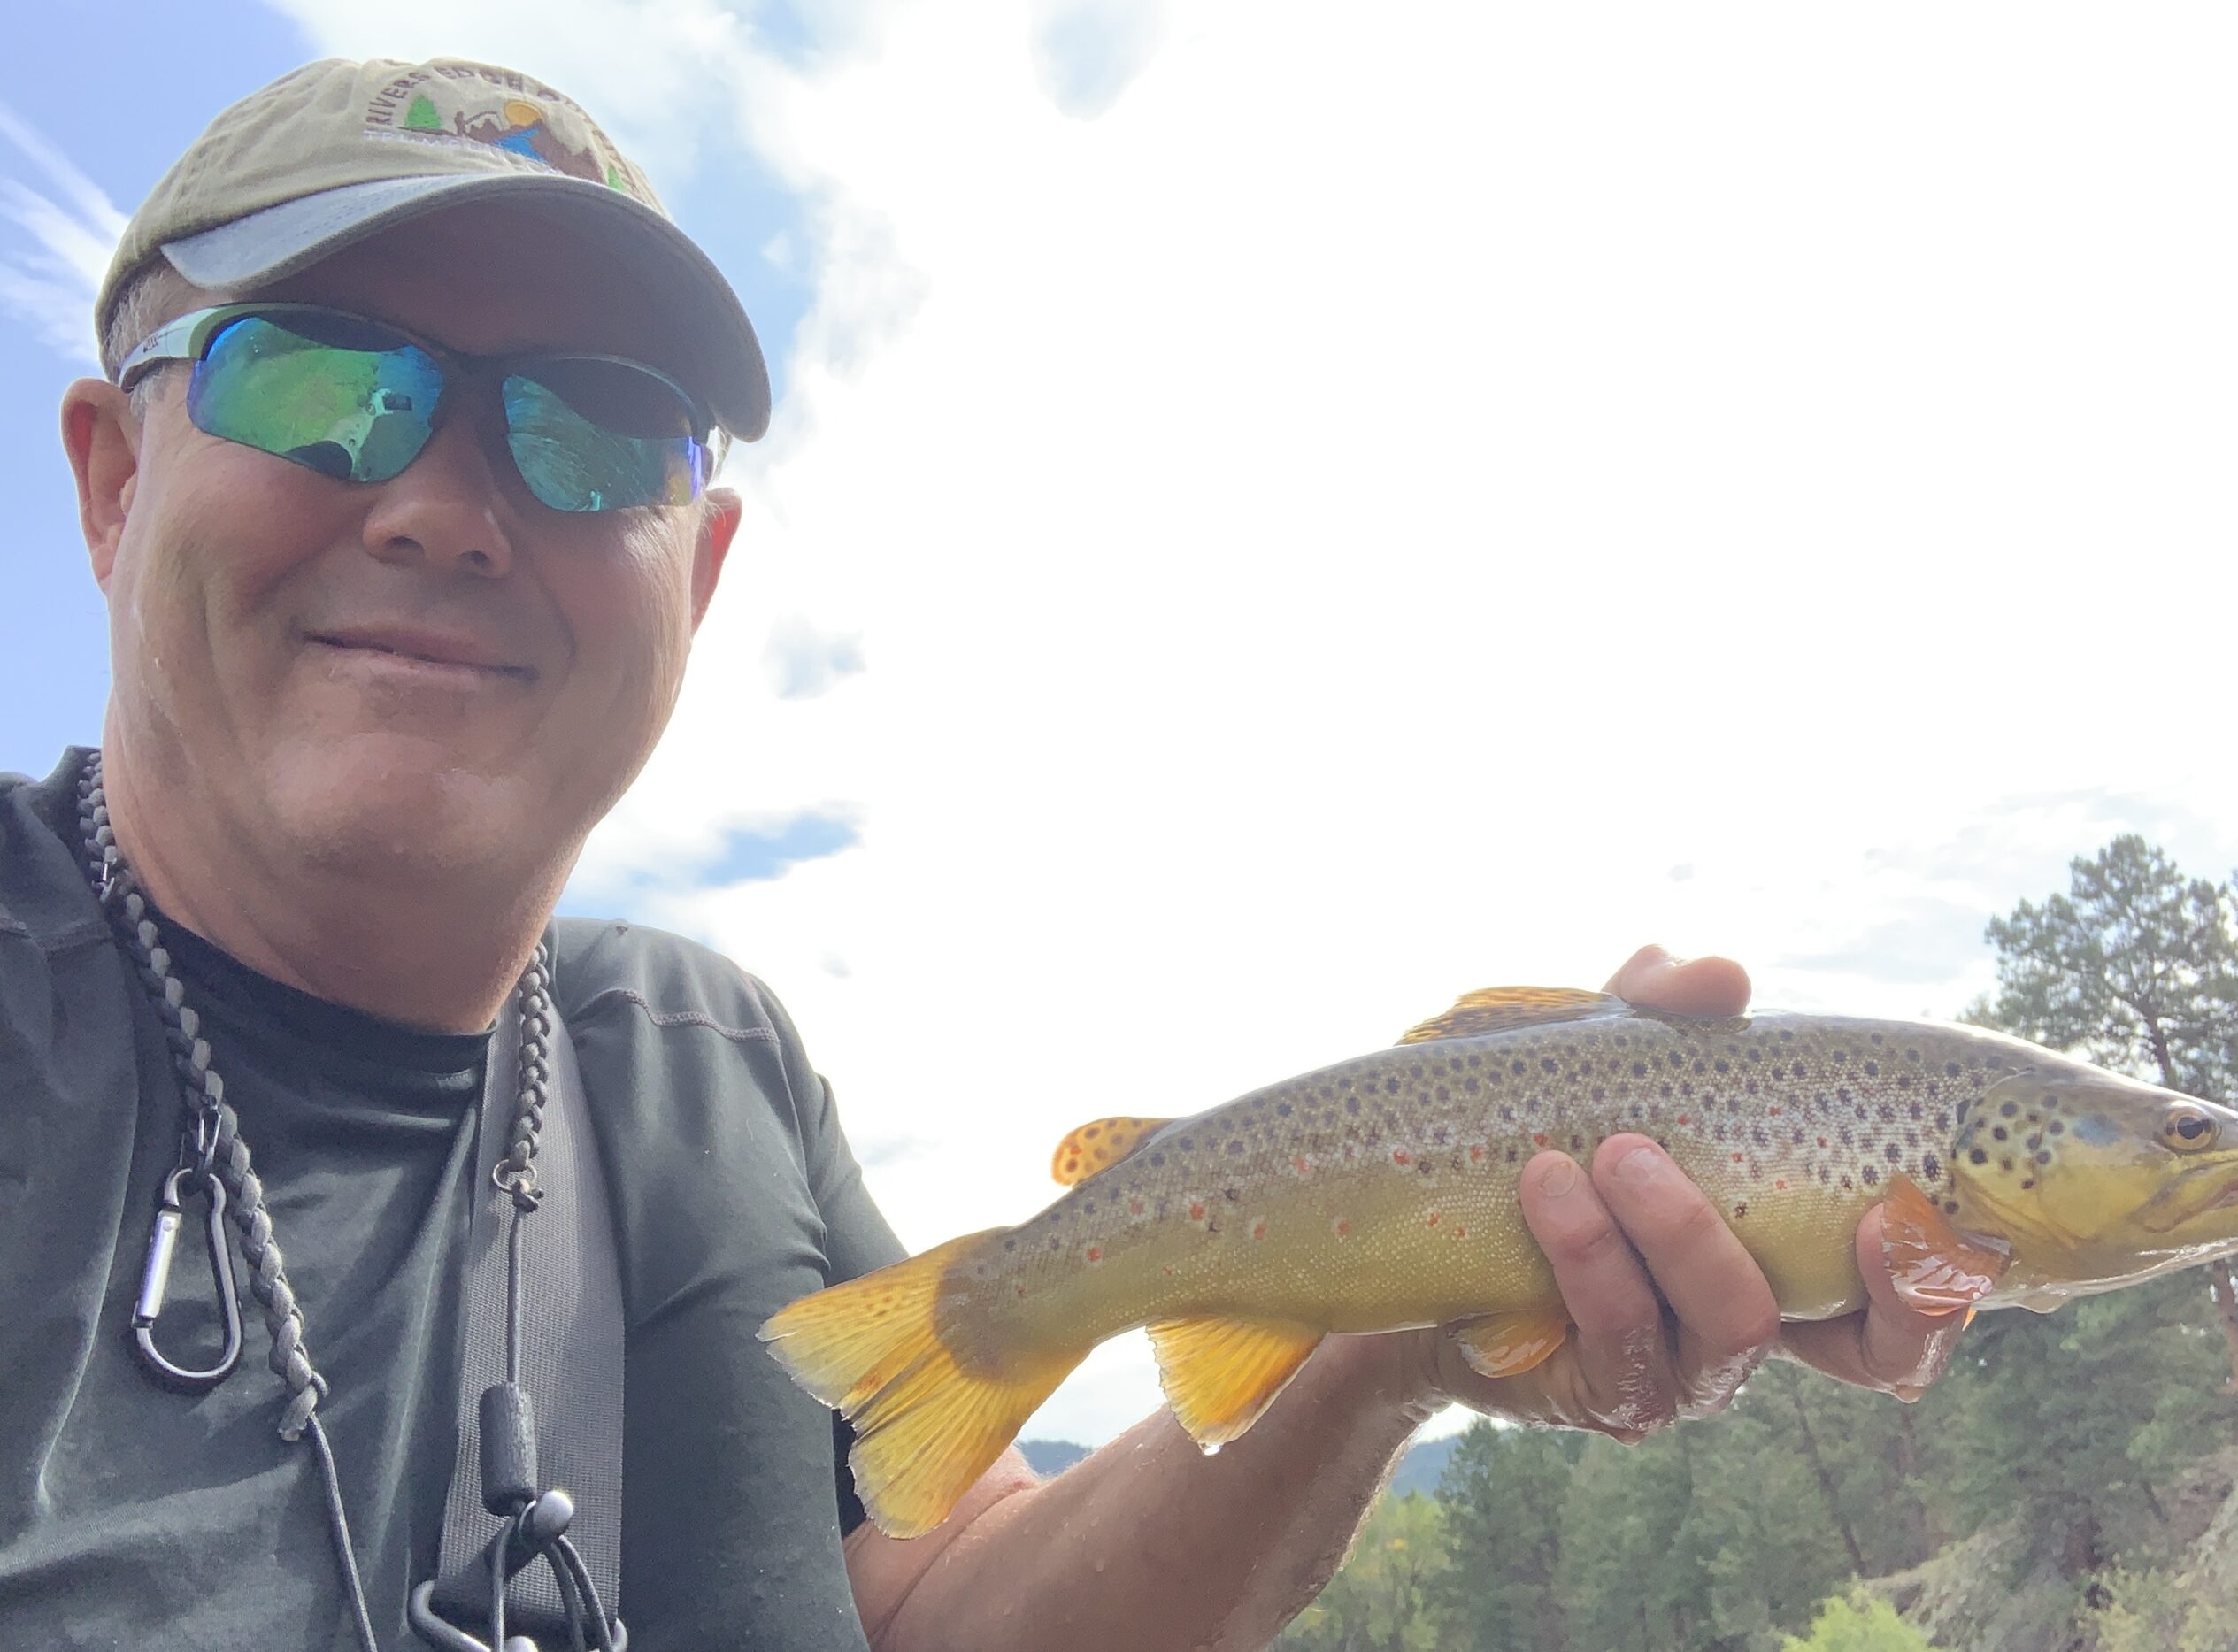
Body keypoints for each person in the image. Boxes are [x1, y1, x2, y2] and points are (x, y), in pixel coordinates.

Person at [0, 54, 1965, 1652]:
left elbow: (947, 1610)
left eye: (593, 429)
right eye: (323, 380)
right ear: (107, 475)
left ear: (702, 569)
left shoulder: (703, 1064)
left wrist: (1384, 1327)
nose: (440, 505)